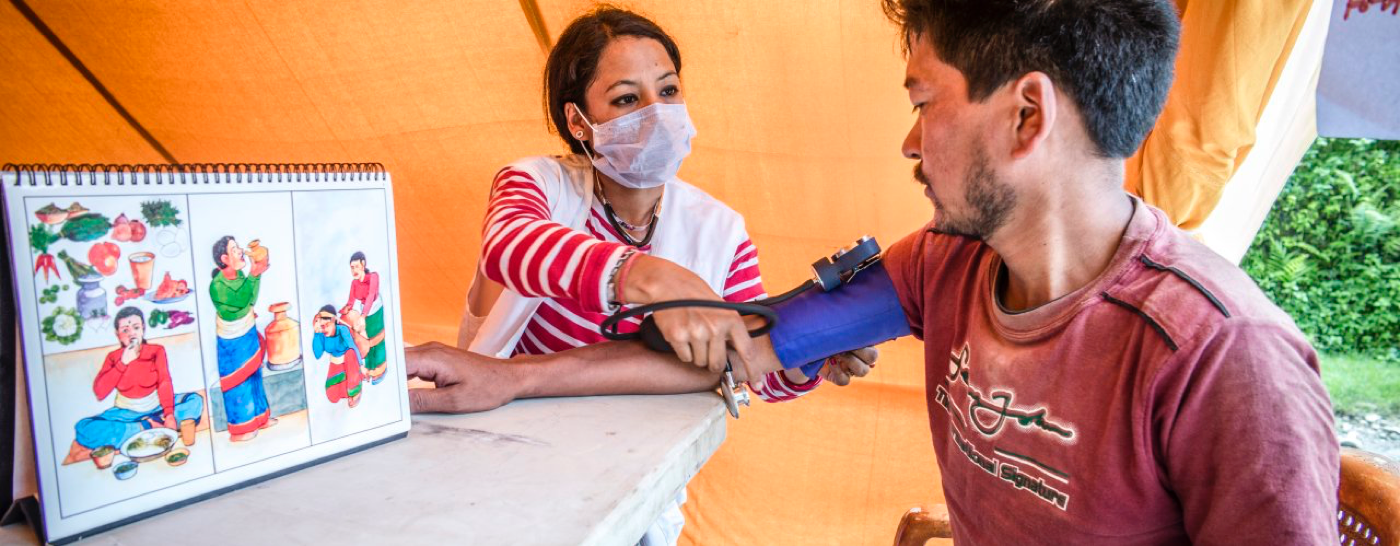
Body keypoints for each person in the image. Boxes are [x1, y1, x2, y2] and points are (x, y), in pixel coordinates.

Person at [859, 0, 1336, 541]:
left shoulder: (1226, 356)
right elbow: (777, 334)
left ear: (1027, 116)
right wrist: (772, 340)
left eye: (924, 103)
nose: (910, 144)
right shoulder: (948, 260)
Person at [413, 7, 875, 545]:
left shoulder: (718, 230)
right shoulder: (537, 183)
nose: (658, 114)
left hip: (631, 494)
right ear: (579, 122)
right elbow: (508, 247)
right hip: (502, 472)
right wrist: (643, 276)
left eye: (669, 91)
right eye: (628, 99)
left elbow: (756, 372)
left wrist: (812, 353)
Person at [63, 307, 204, 467]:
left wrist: (170, 414)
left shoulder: (156, 351)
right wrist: (123, 363)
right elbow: (100, 393)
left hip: (157, 407)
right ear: (118, 334)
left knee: (195, 401)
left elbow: (164, 381)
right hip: (126, 413)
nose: (131, 334)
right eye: (125, 330)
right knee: (85, 429)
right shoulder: (114, 357)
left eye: (136, 328)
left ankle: (152, 425)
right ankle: (146, 426)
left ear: (143, 328)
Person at [209, 236, 277, 442]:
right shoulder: (217, 285)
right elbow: (240, 300)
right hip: (231, 340)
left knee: (255, 376)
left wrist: (255, 276)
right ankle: (241, 428)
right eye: (234, 249)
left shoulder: (239, 275)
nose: (240, 251)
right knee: (238, 381)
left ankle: (260, 417)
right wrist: (254, 274)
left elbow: (251, 299)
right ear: (224, 258)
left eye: (238, 247)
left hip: (247, 330)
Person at [341, 251, 388, 385]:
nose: (354, 270)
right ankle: (368, 370)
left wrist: (362, 316)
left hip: (375, 310)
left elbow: (371, 295)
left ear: (363, 264)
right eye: (352, 267)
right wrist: (345, 310)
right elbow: (350, 302)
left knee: (377, 339)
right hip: (364, 313)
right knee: (366, 341)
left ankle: (379, 370)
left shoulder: (373, 276)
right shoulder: (354, 283)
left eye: (356, 266)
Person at [312, 305, 365, 407]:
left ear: (334, 321)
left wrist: (361, 366)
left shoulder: (342, 330)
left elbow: (352, 347)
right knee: (332, 397)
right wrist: (317, 334)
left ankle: (356, 390)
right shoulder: (322, 334)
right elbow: (317, 355)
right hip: (336, 366)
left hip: (350, 364)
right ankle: (348, 389)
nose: (325, 328)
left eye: (327, 324)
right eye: (322, 326)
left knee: (350, 353)